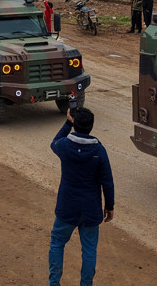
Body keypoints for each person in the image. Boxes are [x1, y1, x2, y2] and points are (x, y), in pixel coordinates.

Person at [48, 107, 115, 286]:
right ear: (91, 127)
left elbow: (54, 142)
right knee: (89, 250)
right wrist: (109, 206)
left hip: (67, 206)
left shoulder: (64, 146)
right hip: (91, 208)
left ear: (75, 124)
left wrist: (67, 123)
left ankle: (54, 283)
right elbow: (107, 182)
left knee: (57, 243)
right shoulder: (99, 151)